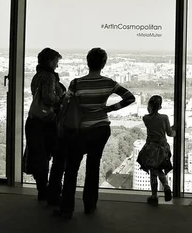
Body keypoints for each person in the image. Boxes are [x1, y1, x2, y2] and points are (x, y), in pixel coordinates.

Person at [54, 47, 136, 218]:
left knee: (71, 169)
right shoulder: (109, 83)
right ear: (103, 64)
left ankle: (66, 208)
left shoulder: (76, 83)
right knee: (93, 167)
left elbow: (66, 104)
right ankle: (90, 206)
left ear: (87, 62)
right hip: (100, 129)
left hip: (78, 131)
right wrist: (109, 109)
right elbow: (130, 97)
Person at [24, 48, 67, 204]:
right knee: (57, 156)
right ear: (50, 61)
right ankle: (54, 192)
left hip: (34, 121)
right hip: (47, 122)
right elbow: (49, 98)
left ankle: (42, 190)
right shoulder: (49, 76)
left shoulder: (37, 76)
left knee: (39, 157)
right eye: (56, 61)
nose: (57, 65)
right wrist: (63, 98)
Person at [138, 95, 176, 205]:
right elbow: (169, 133)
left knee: (153, 171)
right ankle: (166, 186)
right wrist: (175, 130)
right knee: (158, 169)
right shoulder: (164, 117)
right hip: (163, 147)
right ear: (160, 106)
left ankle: (154, 195)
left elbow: (154, 126)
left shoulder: (146, 118)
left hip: (150, 147)